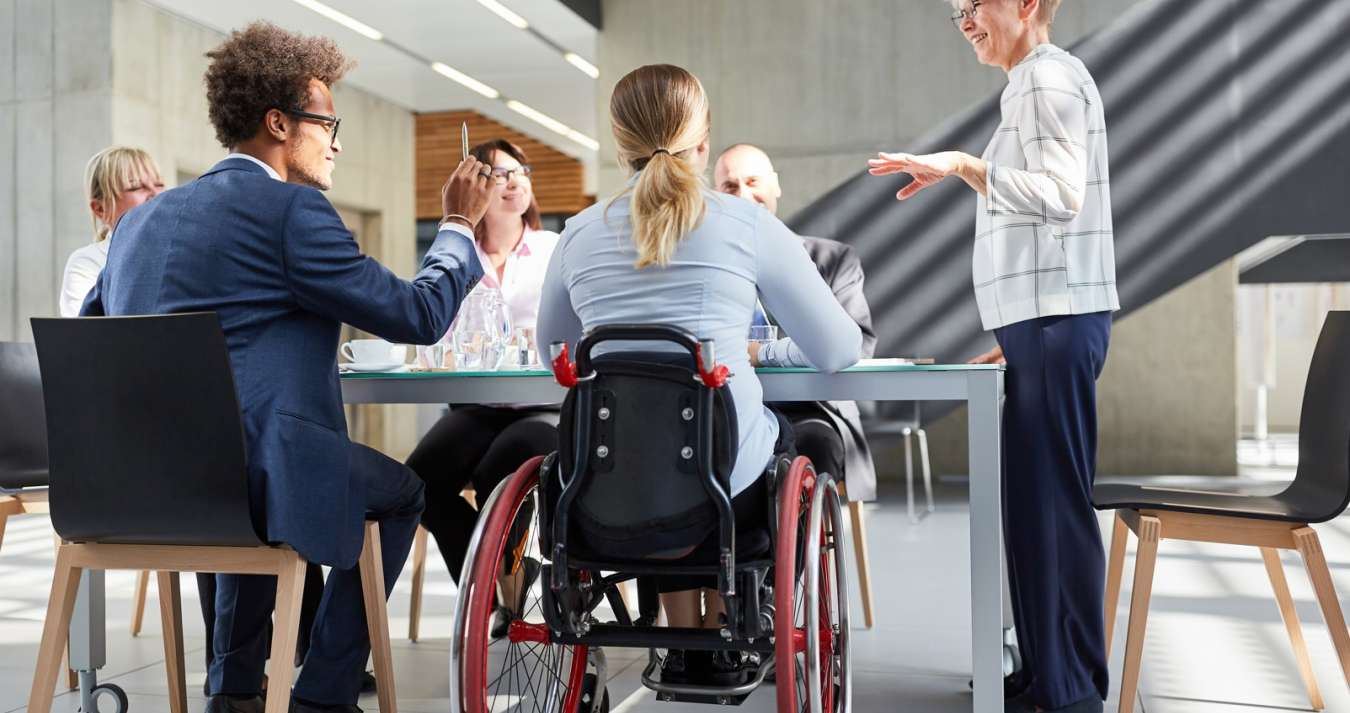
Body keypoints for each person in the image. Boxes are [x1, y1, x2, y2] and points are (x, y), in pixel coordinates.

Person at [81, 22, 499, 713]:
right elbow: (417, 315)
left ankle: (236, 690)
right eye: (327, 122)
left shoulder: (138, 225)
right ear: (278, 122)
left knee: (249, 451)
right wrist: (455, 227)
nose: (336, 141)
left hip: (141, 487)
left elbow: (98, 337)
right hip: (252, 481)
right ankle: (323, 695)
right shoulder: (292, 209)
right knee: (402, 490)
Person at [536, 63, 862, 683]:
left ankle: (686, 631)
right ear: (704, 140)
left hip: (607, 482)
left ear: (619, 142)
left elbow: (553, 349)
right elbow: (840, 348)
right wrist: (754, 348)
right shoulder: (747, 224)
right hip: (723, 487)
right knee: (794, 443)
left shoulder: (577, 234)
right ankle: (734, 611)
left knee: (655, 446)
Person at [867, 1, 1118, 711]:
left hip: (1056, 324)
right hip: (1040, 325)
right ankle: (1045, 674)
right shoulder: (1033, 83)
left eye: (975, 5)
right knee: (1032, 507)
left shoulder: (1045, 78)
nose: (965, 20)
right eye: (956, 12)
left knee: (1053, 507)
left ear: (1029, 4)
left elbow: (1061, 197)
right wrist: (1011, 330)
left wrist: (963, 166)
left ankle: (1069, 690)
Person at [406, 138, 560, 625]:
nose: (514, 182)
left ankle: (504, 593)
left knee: (500, 471)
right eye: (499, 174)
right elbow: (433, 331)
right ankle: (486, 588)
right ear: (475, 189)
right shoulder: (454, 255)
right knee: (418, 485)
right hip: (474, 406)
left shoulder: (553, 251)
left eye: (521, 172)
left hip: (541, 405)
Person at [713, 143, 879, 502]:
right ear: (716, 197)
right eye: (729, 186)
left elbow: (859, 345)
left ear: (775, 185)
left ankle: (787, 555)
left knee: (812, 444)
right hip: (728, 407)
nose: (743, 194)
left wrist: (761, 353)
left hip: (811, 408)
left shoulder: (833, 260)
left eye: (752, 181)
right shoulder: (711, 268)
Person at [60, 147, 164, 317]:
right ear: (100, 209)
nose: (156, 194)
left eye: (159, 185)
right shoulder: (86, 263)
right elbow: (84, 337)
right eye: (137, 187)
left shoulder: (180, 252)